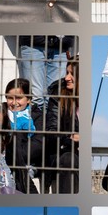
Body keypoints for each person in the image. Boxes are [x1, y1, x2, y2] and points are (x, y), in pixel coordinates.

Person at [7, 36, 76, 109]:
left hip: (62, 45)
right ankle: (38, 120)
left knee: (54, 97)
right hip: (32, 42)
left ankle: (49, 120)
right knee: (35, 97)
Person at [3, 78, 45, 194]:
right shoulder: (1, 113)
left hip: (29, 162)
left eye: (19, 98)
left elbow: (39, 144)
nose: (14, 102)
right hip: (3, 160)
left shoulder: (37, 116)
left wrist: (18, 155)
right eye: (10, 98)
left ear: (29, 99)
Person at [44, 56, 79, 193]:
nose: (67, 78)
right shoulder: (58, 97)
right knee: (68, 159)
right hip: (63, 156)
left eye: (72, 74)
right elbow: (51, 132)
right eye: (66, 72)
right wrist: (70, 138)